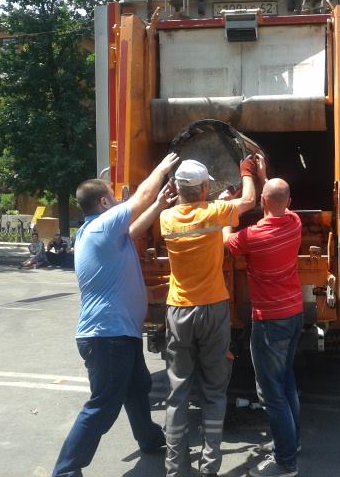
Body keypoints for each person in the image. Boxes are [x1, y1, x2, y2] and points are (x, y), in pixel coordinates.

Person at [51, 153, 179, 477]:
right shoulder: (102, 228)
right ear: (104, 202)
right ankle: (66, 470)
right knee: (103, 405)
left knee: (137, 388)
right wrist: (162, 169)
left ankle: (149, 438)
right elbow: (141, 196)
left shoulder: (96, 233)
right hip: (107, 337)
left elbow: (134, 229)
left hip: (118, 334)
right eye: (113, 195)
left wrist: (159, 205)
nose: (118, 199)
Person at [159, 157, 258, 477]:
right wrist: (246, 173)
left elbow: (204, 219)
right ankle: (209, 466)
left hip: (179, 310)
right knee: (214, 391)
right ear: (203, 187)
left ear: (177, 188)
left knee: (177, 393)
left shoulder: (166, 218)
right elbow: (249, 200)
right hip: (213, 310)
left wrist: (218, 204)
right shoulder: (214, 213)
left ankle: (175, 468)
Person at [223, 175, 302, 477]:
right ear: (289, 202)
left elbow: (226, 241)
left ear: (262, 201)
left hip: (270, 322)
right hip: (294, 314)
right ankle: (291, 444)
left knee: (271, 393)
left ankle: (285, 462)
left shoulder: (253, 236)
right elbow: (279, 201)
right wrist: (264, 175)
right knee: (286, 381)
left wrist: (228, 208)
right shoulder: (294, 222)